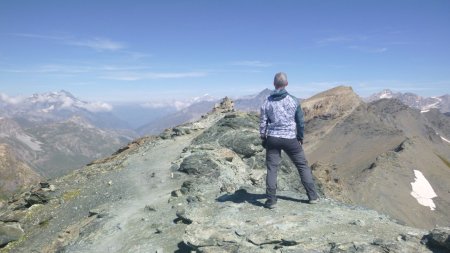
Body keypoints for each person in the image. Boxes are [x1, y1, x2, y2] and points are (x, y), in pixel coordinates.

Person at [259, 72, 319, 209]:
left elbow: (263, 122)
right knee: (302, 165)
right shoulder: (293, 100)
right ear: (286, 84)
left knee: (272, 168)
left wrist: (263, 137)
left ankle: (271, 200)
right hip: (290, 139)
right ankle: (313, 196)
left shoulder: (267, 102)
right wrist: (300, 137)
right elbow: (300, 122)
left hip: (273, 139)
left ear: (274, 84)